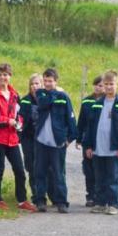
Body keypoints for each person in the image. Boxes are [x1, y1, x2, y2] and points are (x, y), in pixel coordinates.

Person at [0, 62, 35, 212]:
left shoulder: (15, 95)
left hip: (12, 139)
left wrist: (19, 124)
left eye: (5, 75)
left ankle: (22, 200)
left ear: (10, 76)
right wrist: (7, 121)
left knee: (19, 169)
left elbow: (20, 115)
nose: (2, 77)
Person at [83, 70, 118, 215]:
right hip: (98, 148)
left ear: (117, 85)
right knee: (99, 177)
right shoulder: (97, 104)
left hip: (113, 149)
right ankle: (100, 203)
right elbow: (90, 127)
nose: (109, 87)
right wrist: (89, 145)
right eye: (106, 84)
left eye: (112, 84)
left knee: (112, 177)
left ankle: (113, 203)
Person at [34, 68, 76, 213]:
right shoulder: (40, 94)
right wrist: (55, 92)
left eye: (50, 81)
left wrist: (70, 137)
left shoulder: (64, 97)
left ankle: (61, 201)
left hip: (58, 142)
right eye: (45, 81)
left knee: (59, 173)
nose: (47, 83)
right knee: (40, 172)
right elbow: (43, 103)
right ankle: (40, 200)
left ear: (56, 81)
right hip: (41, 141)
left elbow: (70, 117)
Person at [18, 73, 54, 207]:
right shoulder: (25, 100)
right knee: (32, 167)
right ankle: (37, 196)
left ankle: (52, 195)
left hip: (44, 139)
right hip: (28, 138)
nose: (34, 86)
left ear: (42, 85)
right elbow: (20, 117)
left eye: (37, 83)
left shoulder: (47, 98)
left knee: (48, 168)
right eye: (32, 84)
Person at [76, 76, 104, 207]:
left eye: (102, 85)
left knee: (101, 169)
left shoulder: (108, 101)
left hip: (102, 140)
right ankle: (90, 195)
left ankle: (101, 195)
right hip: (88, 139)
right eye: (97, 85)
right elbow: (81, 121)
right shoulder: (87, 101)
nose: (99, 88)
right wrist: (78, 138)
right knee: (88, 169)